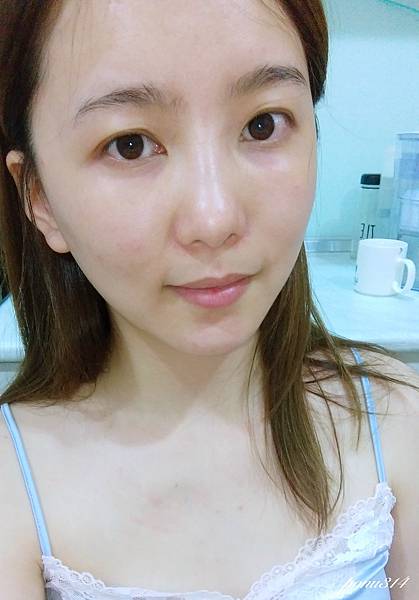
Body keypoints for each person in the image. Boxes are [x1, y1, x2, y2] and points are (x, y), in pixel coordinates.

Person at [0, 1, 418, 598]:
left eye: (263, 125)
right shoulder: (13, 487)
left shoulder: (395, 417)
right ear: (39, 197)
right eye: (130, 145)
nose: (215, 218)